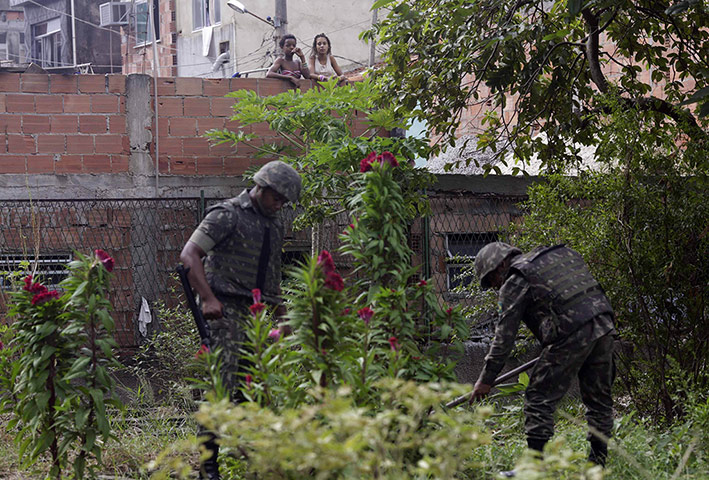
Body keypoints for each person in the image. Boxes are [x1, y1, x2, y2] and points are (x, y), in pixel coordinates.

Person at [179, 160, 302, 480]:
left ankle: (255, 462)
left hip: (258, 315)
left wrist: (283, 317)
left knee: (257, 390)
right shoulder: (227, 214)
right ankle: (209, 466)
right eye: (278, 198)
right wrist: (207, 298)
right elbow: (189, 256)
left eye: (284, 201)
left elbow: (271, 277)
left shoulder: (274, 225)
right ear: (262, 188)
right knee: (221, 387)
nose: (280, 205)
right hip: (225, 311)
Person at [470, 242, 615, 476]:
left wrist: (485, 379)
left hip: (571, 332)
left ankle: (532, 468)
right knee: (598, 399)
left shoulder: (516, 279)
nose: (495, 287)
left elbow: (504, 336)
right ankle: (597, 465)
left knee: (538, 396)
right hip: (603, 324)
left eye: (491, 280)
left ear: (501, 265)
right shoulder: (550, 258)